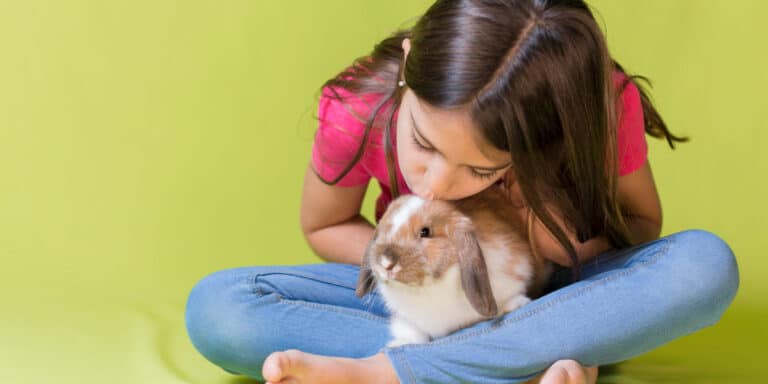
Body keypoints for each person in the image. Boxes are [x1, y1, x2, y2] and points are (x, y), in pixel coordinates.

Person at [184, 1, 740, 383]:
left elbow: (641, 228)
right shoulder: (359, 108)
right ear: (406, 67)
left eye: (481, 169)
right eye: (423, 142)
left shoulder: (600, 109)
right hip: (420, 298)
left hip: (558, 294)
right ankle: (526, 361)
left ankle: (394, 371)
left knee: (704, 267)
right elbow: (323, 225)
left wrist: (552, 236)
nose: (435, 182)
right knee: (219, 309)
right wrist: (416, 266)